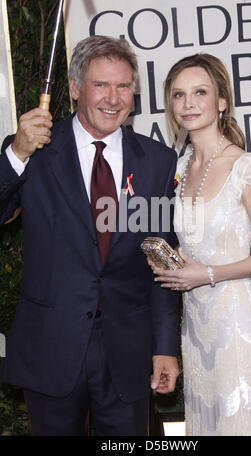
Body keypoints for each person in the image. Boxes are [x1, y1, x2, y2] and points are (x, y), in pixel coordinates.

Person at [0, 35, 179, 436]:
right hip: (51, 345)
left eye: (123, 86)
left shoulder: (156, 162)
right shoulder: (37, 150)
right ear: (75, 88)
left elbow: (161, 260)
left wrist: (165, 345)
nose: (112, 99)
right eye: (101, 85)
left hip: (128, 350)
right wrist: (16, 153)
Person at [151, 53, 251, 436]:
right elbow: (192, 241)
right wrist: (170, 262)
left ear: (222, 101)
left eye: (200, 92)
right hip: (195, 323)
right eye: (178, 95)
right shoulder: (178, 168)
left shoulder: (245, 167)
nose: (188, 103)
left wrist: (208, 273)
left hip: (236, 323)